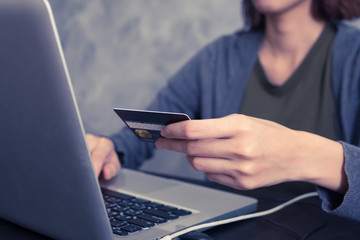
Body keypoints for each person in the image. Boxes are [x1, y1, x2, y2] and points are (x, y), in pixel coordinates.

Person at [86, 0, 360, 222]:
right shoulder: (217, 58)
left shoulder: (354, 56)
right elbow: (137, 137)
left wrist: (306, 157)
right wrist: (108, 149)